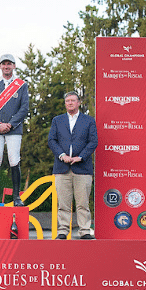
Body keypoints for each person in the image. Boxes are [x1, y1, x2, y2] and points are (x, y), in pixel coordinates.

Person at [47, 91, 98, 239]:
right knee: (63, 204)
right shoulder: (57, 120)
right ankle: (63, 231)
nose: (70, 103)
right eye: (67, 101)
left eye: (73, 100)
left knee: (83, 204)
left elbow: (93, 141)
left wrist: (80, 157)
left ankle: (84, 231)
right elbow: (52, 140)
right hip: (62, 168)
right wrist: (62, 156)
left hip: (82, 169)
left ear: (79, 102)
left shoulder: (88, 121)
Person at [0, 54, 29, 206]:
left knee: (14, 160)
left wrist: (10, 124)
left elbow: (24, 108)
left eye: (9, 64)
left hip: (14, 129)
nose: (6, 66)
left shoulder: (21, 85)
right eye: (4, 64)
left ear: (14, 66)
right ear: (0, 66)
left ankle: (16, 197)